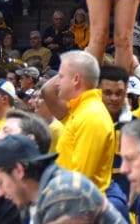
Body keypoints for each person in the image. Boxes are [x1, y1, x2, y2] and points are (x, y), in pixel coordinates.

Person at [0, 134, 125, 223]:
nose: (0, 193)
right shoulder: (38, 197)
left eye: (0, 183)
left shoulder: (64, 192)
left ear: (18, 171)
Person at [40, 50, 115, 193]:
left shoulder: (91, 116)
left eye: (61, 76)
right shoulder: (79, 111)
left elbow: (79, 181)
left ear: (76, 79)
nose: (57, 82)